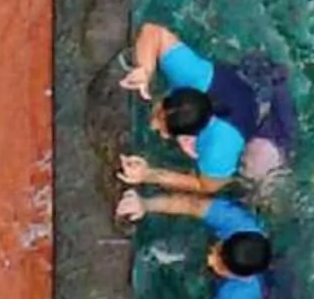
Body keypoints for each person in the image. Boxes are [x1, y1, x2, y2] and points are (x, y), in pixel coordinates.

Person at [119, 20, 297, 197]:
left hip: (265, 120)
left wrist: (149, 175)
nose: (152, 125)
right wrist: (145, 70)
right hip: (251, 83)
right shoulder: (194, 76)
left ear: (192, 135)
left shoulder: (220, 145)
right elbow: (152, 32)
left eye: (164, 129)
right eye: (158, 114)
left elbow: (207, 185)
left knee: (260, 187)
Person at [112, 201, 280, 299]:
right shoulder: (237, 222)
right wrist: (146, 204)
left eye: (221, 266)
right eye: (217, 250)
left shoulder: (240, 297)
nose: (210, 260)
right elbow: (193, 205)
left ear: (239, 277)